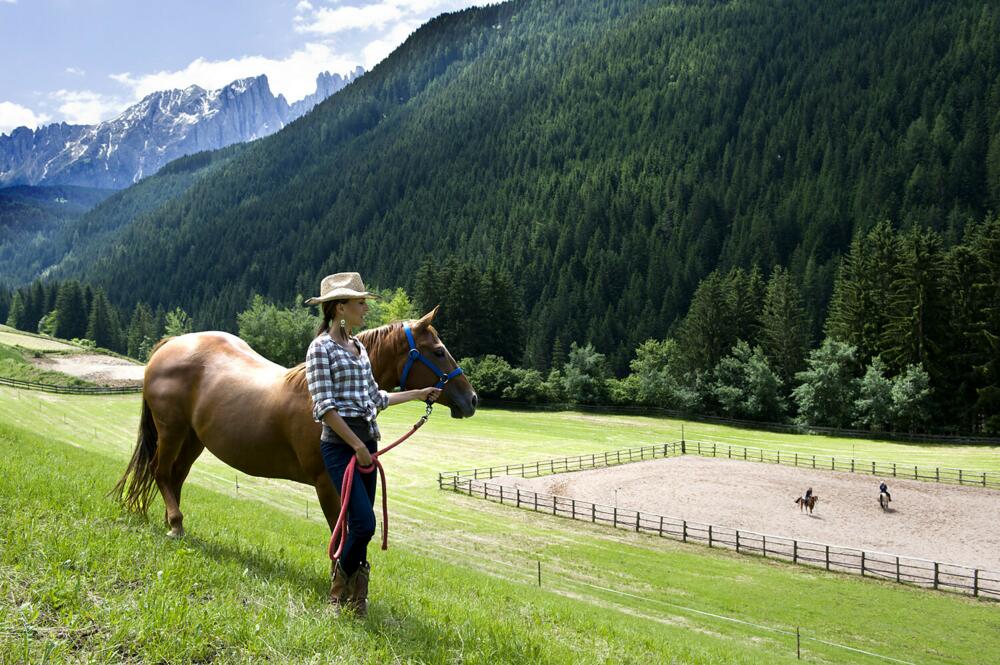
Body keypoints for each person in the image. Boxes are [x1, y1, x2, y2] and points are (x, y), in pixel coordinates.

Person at [304, 272, 440, 617]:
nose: (365, 308)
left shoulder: (359, 348)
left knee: (360, 525)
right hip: (341, 445)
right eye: (360, 303)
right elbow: (325, 408)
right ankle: (337, 596)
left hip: (367, 440)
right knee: (364, 524)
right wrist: (356, 446)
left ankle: (357, 599)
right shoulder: (320, 349)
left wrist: (418, 394)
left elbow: (375, 397)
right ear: (339, 308)